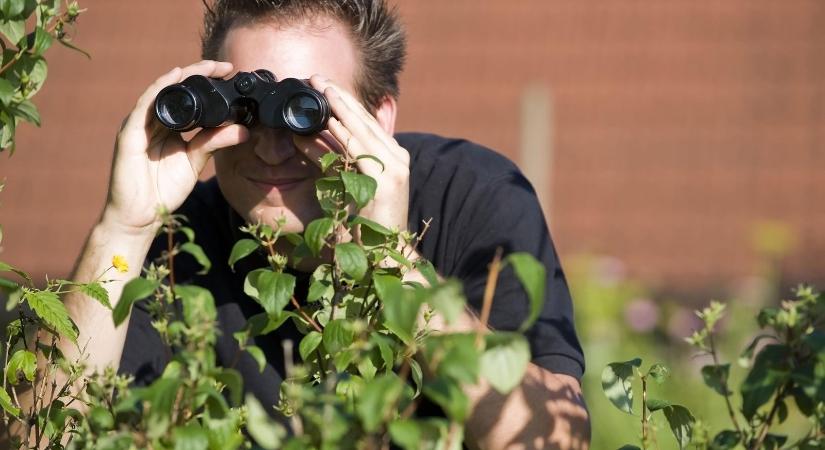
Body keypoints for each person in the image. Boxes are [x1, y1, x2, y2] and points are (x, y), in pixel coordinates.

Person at [40, 1, 590, 448]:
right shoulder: (173, 243)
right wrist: (124, 229)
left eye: (306, 112)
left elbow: (552, 441)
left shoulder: (472, 196)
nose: (273, 148)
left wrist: (393, 263)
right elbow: (38, 439)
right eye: (246, 110)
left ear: (379, 120)